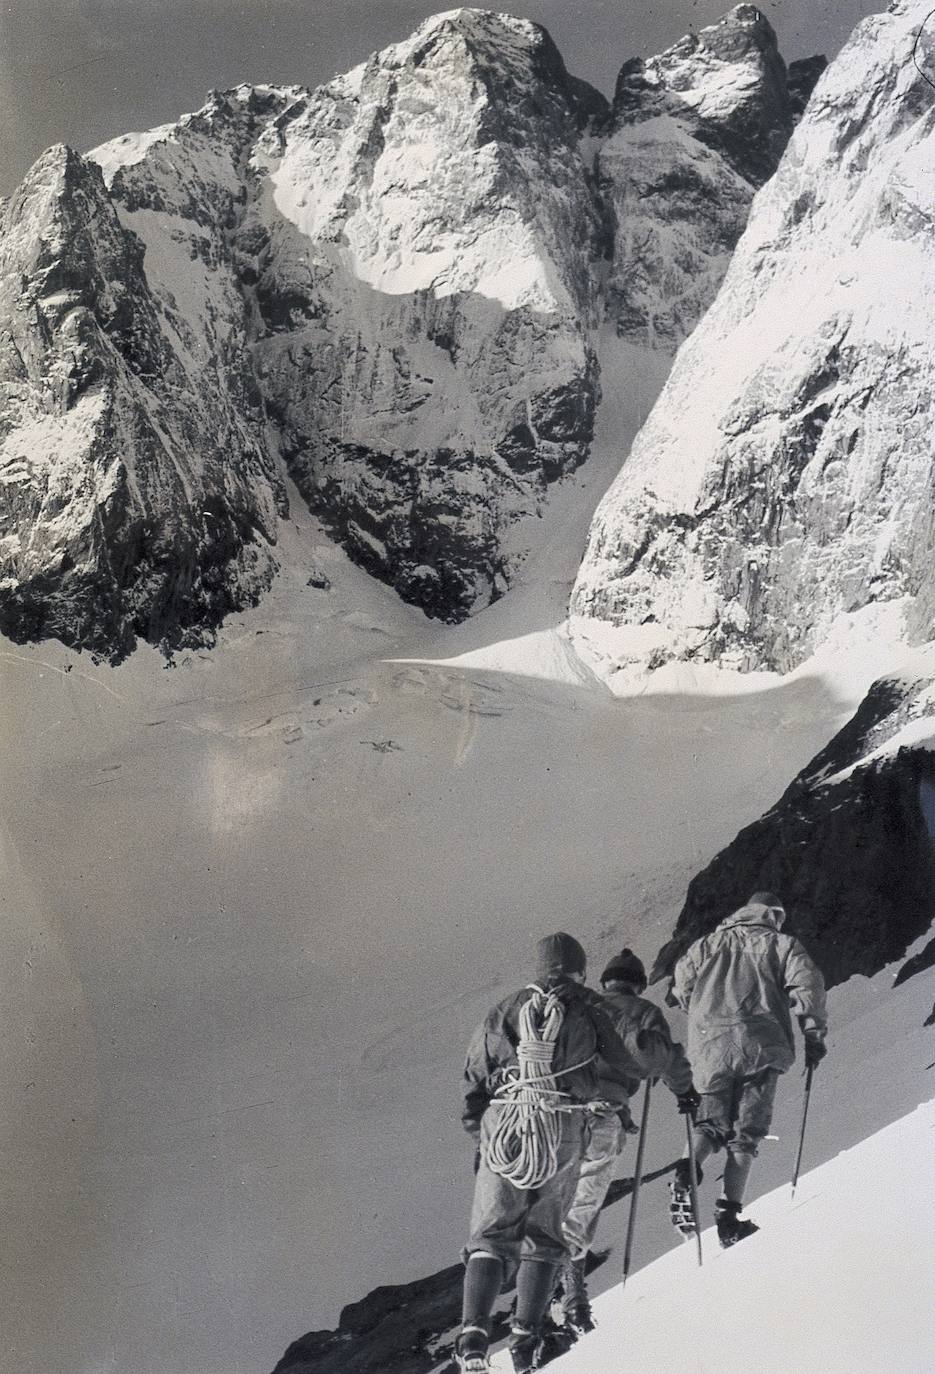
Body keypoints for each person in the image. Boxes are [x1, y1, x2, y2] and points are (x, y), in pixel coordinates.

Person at [455, 931, 638, 1374]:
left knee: (491, 1234)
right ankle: (525, 1337)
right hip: (561, 1122)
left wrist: (480, 1128)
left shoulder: (506, 1007)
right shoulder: (593, 1008)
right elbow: (623, 1067)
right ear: (581, 969)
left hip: (507, 1120)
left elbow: (475, 1072)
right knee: (545, 1234)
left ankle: (473, 1336)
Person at [670, 891, 828, 1247]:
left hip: (710, 1047)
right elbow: (808, 986)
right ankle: (729, 1219)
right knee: (747, 1133)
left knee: (710, 1124)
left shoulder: (706, 945)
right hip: (761, 1044)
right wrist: (813, 1035)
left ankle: (685, 1172)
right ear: (772, 914)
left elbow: (681, 986)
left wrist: (704, 1015)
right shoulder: (782, 945)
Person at [558, 947, 698, 1331]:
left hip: (559, 1113)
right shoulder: (645, 1013)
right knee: (584, 1202)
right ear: (637, 985)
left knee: (553, 1197)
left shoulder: (579, 1006)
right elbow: (663, 1058)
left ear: (605, 981)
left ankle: (540, 1295)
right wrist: (684, 1091)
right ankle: (572, 1297)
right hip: (605, 1115)